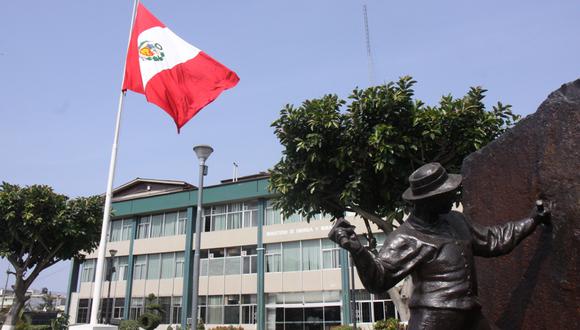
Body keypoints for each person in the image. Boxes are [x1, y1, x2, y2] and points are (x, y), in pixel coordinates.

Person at [328, 162, 551, 330]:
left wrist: (532, 220)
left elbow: (493, 240)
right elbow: (378, 280)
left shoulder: (457, 220)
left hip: (471, 314)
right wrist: (357, 250)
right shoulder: (405, 238)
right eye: (447, 193)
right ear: (428, 199)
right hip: (434, 320)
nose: (453, 196)